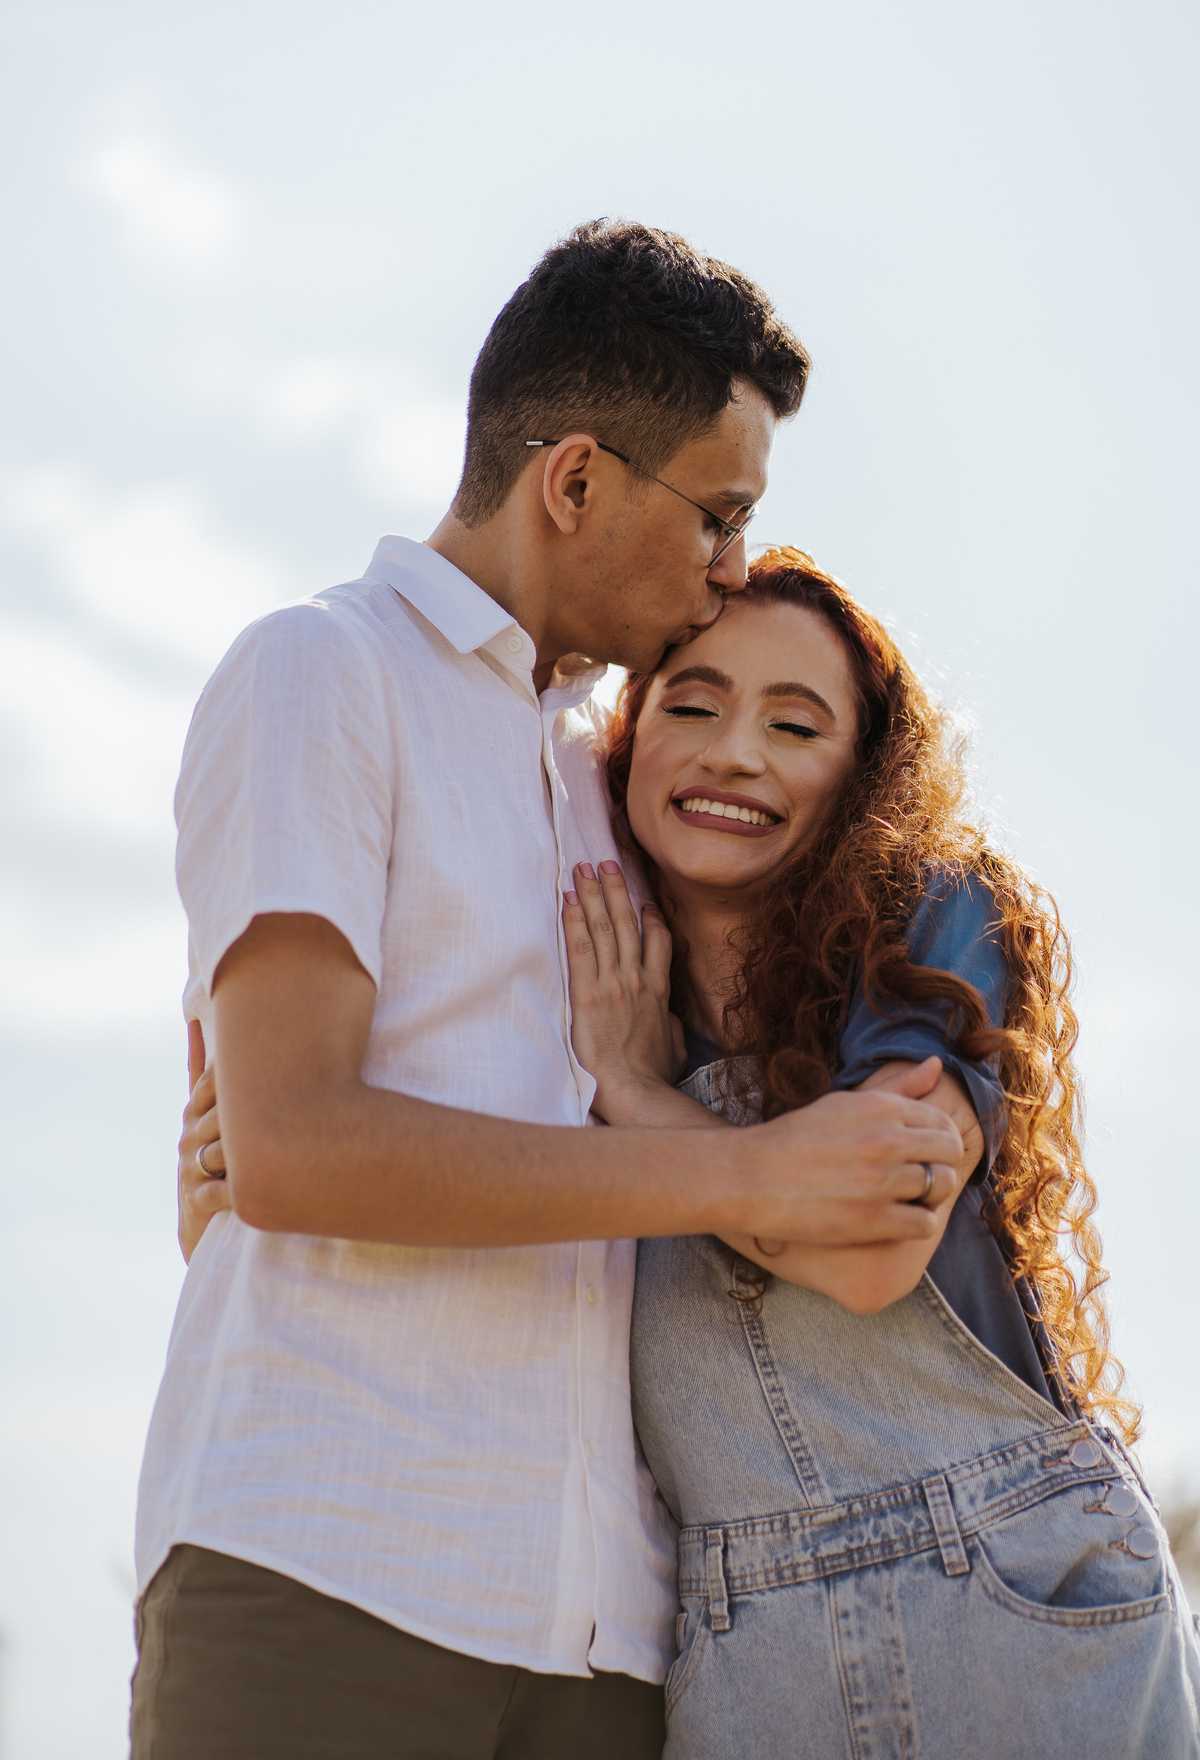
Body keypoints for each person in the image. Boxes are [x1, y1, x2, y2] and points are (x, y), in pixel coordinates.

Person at [135, 223, 970, 1759]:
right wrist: (746, 1173)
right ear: (574, 481)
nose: (732, 570)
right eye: (720, 517)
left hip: (610, 1645)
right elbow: (299, 1146)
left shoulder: (612, 772)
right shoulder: (322, 673)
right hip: (329, 1573)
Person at [554, 548, 1200, 1758]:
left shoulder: (938, 922)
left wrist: (636, 1097)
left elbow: (868, 1253)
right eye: (690, 705)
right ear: (629, 743)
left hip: (1016, 1593)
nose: (734, 752)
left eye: (795, 726)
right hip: (745, 1654)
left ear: (861, 776)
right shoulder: (575, 993)